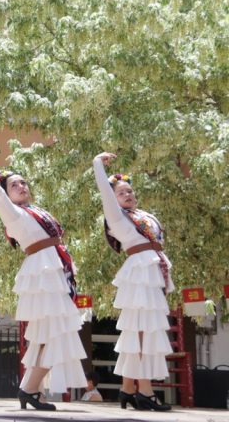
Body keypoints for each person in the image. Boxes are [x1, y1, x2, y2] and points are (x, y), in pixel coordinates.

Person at [0, 139, 86, 411]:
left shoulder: (35, 211)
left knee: (46, 334)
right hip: (43, 272)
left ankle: (31, 389)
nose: (21, 186)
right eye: (14, 184)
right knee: (55, 333)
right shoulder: (12, 213)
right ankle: (29, 388)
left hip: (54, 269)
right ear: (7, 192)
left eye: (23, 182)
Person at [93, 152, 173, 412]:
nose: (128, 195)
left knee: (139, 332)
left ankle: (128, 389)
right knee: (142, 333)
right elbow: (105, 192)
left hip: (149, 273)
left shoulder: (142, 215)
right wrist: (98, 165)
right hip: (139, 274)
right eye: (122, 192)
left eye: (130, 191)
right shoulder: (117, 217)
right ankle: (145, 392)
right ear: (114, 200)